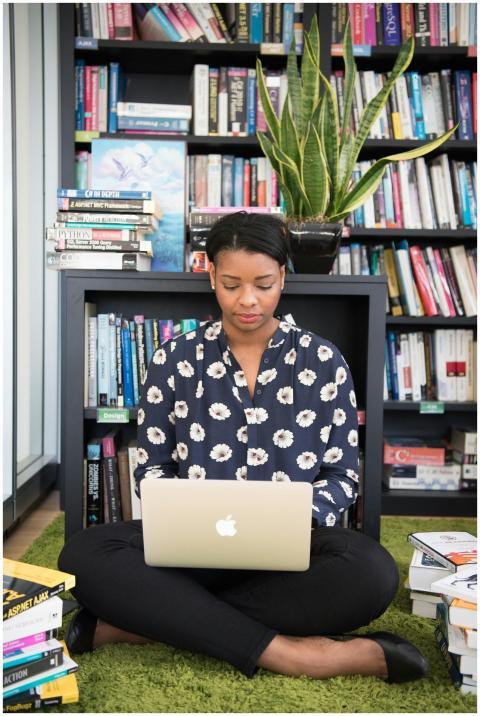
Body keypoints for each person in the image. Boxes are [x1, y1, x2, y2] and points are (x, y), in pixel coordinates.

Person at [59, 211, 428, 683]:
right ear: (209, 273)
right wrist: (184, 512)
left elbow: (344, 477)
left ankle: (145, 622)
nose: (248, 300)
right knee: (84, 555)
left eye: (264, 283)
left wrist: (292, 516)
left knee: (372, 573)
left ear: (283, 277)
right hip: (189, 555)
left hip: (292, 555)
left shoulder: (323, 359)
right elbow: (151, 468)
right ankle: (298, 656)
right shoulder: (173, 359)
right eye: (231, 284)